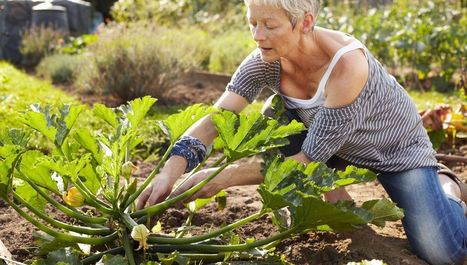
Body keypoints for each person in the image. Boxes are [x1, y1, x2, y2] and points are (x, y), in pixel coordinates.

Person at [137, 0, 467, 264]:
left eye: (270, 25)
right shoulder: (263, 61)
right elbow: (215, 121)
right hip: (330, 145)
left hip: (396, 152)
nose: (258, 35)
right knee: (275, 115)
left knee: (443, 252)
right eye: (253, 23)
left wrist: (225, 177)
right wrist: (169, 172)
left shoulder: (346, 65)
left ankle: (447, 185)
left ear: (305, 22)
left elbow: (308, 159)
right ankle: (337, 202)